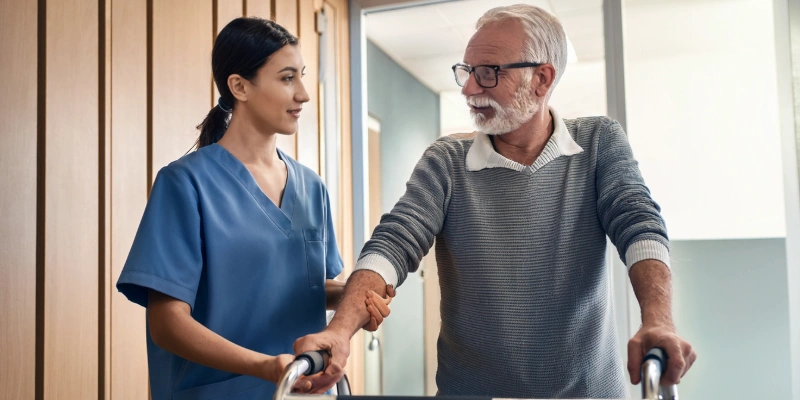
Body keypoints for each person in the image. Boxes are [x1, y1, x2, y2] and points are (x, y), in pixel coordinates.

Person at [294, 4, 697, 398]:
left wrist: (658, 320)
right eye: (467, 72)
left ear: (541, 79)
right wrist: (339, 330)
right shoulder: (446, 161)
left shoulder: (598, 142)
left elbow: (638, 222)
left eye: (488, 74)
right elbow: (395, 241)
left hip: (588, 391)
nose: (469, 88)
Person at [115, 17, 392, 400]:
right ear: (239, 86)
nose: (304, 95)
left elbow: (303, 285)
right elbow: (166, 323)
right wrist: (264, 367)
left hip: (307, 391)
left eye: (303, 76)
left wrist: (354, 300)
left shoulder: (311, 187)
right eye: (287, 78)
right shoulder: (185, 183)